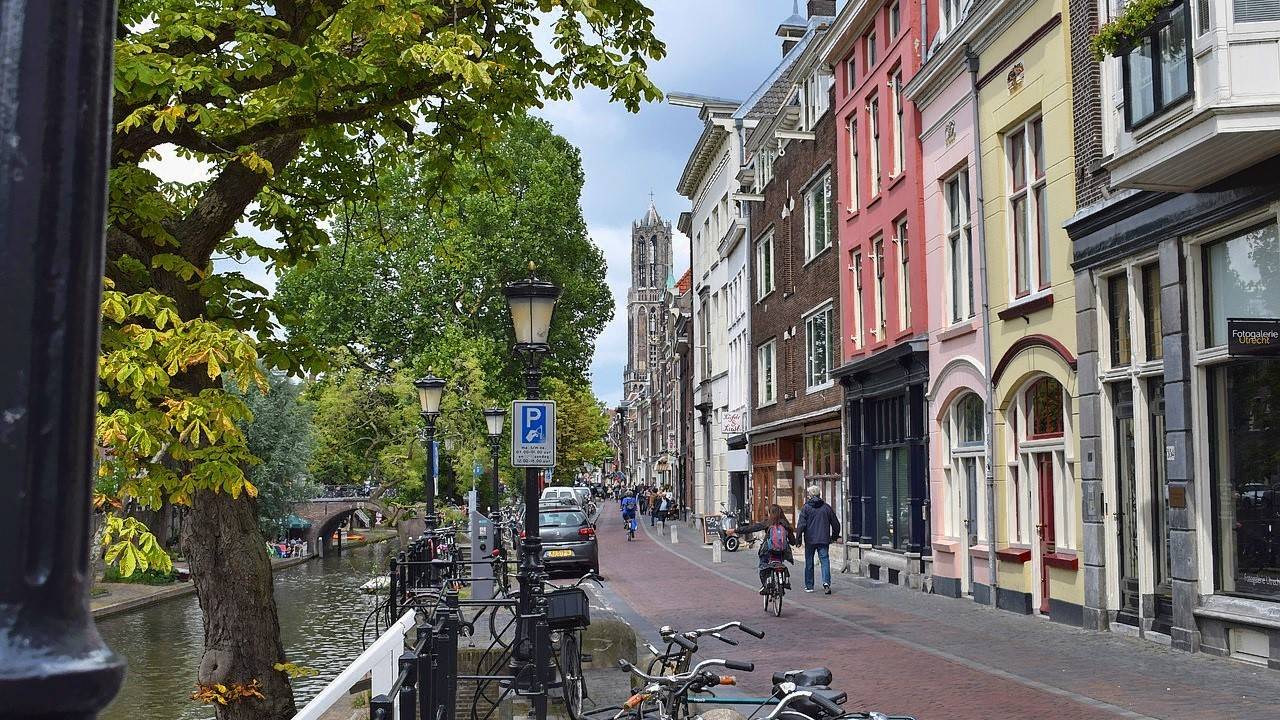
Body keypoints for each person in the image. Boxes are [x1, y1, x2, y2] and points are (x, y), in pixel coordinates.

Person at [726, 504, 796, 593]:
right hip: (782, 552)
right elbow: (793, 542)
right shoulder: (785, 524)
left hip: (769, 551)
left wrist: (734, 530)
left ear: (771, 513)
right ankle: (782, 581)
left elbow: (751, 528)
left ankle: (765, 585)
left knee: (763, 566)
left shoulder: (768, 522)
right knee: (779, 563)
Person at [796, 485, 841, 594]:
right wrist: (834, 537)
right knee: (824, 561)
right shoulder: (826, 507)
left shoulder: (806, 508)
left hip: (810, 540)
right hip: (823, 539)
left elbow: (801, 525)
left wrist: (798, 539)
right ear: (819, 495)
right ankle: (826, 582)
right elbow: (836, 524)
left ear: (810, 496)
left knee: (809, 562)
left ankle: (809, 585)